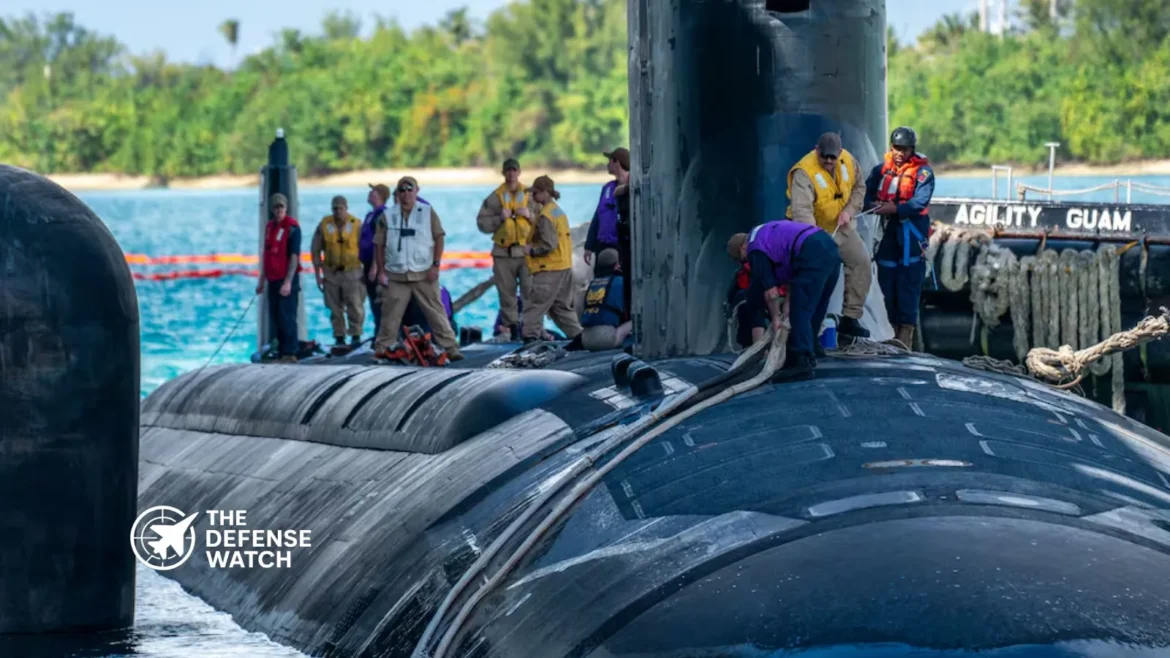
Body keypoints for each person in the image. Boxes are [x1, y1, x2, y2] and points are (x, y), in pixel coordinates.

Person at [786, 132, 872, 340]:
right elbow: (802, 212)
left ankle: (850, 318)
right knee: (819, 274)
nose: (828, 161)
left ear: (840, 153)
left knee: (861, 262)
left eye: (833, 157)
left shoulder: (849, 161)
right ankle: (808, 329)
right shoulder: (804, 172)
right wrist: (818, 241)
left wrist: (849, 211)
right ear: (817, 150)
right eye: (824, 156)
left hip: (841, 226)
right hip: (812, 232)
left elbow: (859, 188)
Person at [726, 220, 841, 372]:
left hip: (810, 250)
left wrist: (776, 319)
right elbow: (794, 277)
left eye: (743, 259)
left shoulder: (755, 248)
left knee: (800, 310)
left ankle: (801, 362)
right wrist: (786, 307)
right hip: (829, 246)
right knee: (817, 305)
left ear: (743, 248)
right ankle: (814, 349)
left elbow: (772, 293)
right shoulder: (768, 236)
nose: (747, 263)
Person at [373, 176, 464, 362]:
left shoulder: (427, 212)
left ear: (416, 191)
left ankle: (450, 347)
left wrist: (436, 265)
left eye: (410, 189)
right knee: (390, 316)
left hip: (424, 273)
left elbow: (439, 237)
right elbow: (379, 244)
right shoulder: (387, 216)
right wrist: (381, 271)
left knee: (436, 312)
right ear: (397, 193)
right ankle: (382, 349)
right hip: (397, 275)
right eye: (402, 190)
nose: (406, 193)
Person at [864, 126, 935, 350]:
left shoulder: (923, 174)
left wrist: (894, 209)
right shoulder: (880, 171)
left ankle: (905, 342)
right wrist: (873, 206)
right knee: (886, 287)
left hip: (911, 238)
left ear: (912, 150)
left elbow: (919, 202)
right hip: (886, 236)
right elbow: (864, 195)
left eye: (904, 149)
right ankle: (891, 337)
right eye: (896, 148)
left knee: (908, 290)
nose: (899, 153)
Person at [476, 158, 535, 340]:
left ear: (519, 172)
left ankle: (531, 329)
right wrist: (499, 219)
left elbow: (545, 219)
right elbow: (482, 223)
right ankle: (513, 329)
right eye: (508, 170)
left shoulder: (530, 195)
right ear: (503, 173)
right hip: (503, 253)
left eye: (514, 170)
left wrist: (530, 215)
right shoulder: (495, 197)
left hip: (525, 251)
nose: (511, 174)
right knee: (506, 294)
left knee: (530, 291)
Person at [523, 176, 583, 343]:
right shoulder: (557, 211)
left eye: (535, 193)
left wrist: (532, 250)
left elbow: (549, 244)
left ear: (544, 192)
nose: (533, 196)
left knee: (535, 306)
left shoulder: (545, 216)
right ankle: (580, 337)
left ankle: (530, 339)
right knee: (560, 308)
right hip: (564, 267)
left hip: (549, 269)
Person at [311, 195, 365, 348]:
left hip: (352, 272)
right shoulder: (324, 225)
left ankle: (356, 334)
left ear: (346, 208)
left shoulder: (356, 225)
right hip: (331, 273)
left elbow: (366, 247)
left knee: (355, 305)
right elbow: (315, 250)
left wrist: (368, 270)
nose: (338, 212)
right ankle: (339, 336)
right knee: (334, 307)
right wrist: (318, 275)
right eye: (335, 209)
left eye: (341, 208)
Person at [255, 193, 301, 362]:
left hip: (286, 279)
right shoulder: (270, 227)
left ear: (286, 208)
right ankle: (281, 351)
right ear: (272, 209)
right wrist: (262, 281)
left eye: (281, 207)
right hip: (273, 279)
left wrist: (288, 282)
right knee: (276, 316)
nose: (279, 210)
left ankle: (290, 352)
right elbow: (267, 255)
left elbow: (294, 256)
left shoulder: (292, 228)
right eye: (276, 207)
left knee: (287, 316)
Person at [584, 148, 631, 271]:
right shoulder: (607, 188)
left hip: (621, 246)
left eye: (609, 161)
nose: (607, 165)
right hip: (602, 245)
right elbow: (597, 217)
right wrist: (589, 246)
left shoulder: (632, 184)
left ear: (617, 162)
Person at [579, 248, 632, 351]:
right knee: (636, 321)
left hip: (585, 339)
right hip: (607, 340)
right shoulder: (621, 281)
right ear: (617, 265)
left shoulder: (592, 284)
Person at [360, 184, 391, 339]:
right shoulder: (370, 215)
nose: (370, 193)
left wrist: (375, 266)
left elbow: (380, 242)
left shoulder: (382, 215)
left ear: (381, 196)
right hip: (367, 264)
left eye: (373, 191)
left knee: (381, 301)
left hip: (377, 265)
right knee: (373, 301)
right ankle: (378, 333)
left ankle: (383, 335)